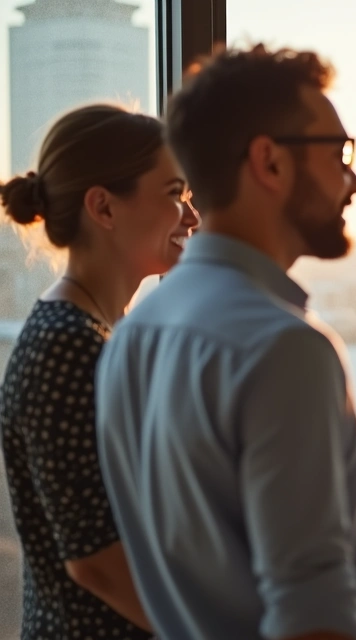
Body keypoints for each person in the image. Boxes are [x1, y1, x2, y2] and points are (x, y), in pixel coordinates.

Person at [93, 45, 356, 640]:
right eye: (339, 153)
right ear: (270, 163)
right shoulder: (284, 348)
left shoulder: (132, 336)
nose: (354, 181)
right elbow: (313, 615)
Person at [0, 103, 197, 639]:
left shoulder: (101, 335)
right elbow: (97, 561)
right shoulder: (63, 349)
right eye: (173, 194)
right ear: (103, 207)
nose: (191, 217)